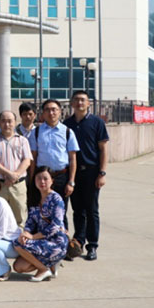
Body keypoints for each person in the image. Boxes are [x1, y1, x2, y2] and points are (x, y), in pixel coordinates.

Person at [64, 90, 109, 260]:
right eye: (76, 100)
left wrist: (102, 173)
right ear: (72, 103)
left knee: (91, 210)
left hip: (91, 172)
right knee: (77, 210)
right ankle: (78, 243)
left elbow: (103, 149)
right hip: (73, 172)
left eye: (83, 100)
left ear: (89, 103)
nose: (80, 103)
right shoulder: (67, 124)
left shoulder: (97, 122)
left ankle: (92, 245)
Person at [29, 99, 79, 231]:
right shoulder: (36, 132)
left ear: (60, 112)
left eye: (54, 109)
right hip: (42, 178)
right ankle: (40, 239)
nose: (51, 113)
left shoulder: (68, 132)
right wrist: (31, 179)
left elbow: (73, 159)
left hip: (61, 176)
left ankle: (62, 240)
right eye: (47, 110)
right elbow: (33, 158)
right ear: (43, 113)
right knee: (40, 210)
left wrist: (71, 182)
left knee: (60, 211)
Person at [13, 166, 69, 281]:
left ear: (52, 180)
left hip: (56, 241)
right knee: (18, 267)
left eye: (45, 178)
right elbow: (30, 222)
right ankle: (50, 265)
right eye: (39, 178)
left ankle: (43, 269)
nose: (42, 182)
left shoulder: (56, 199)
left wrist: (33, 237)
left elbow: (55, 226)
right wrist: (26, 234)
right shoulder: (34, 198)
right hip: (41, 241)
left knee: (17, 244)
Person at [0, 110, 32, 226]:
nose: (6, 124)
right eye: (3, 121)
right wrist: (9, 174)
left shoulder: (23, 140)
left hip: (18, 185)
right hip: (0, 185)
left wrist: (14, 176)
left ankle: (18, 238)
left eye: (9, 121)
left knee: (20, 218)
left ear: (15, 122)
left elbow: (27, 161)